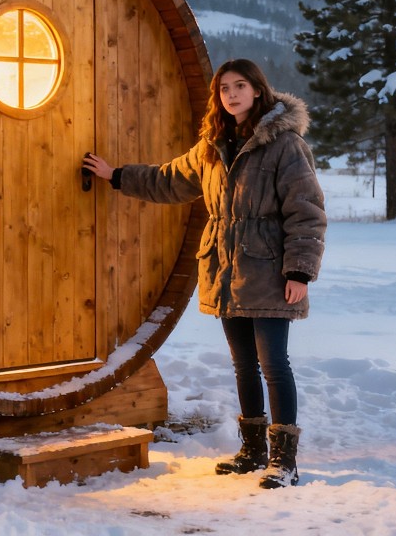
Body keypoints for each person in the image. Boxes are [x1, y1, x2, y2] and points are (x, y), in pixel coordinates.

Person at [82, 59, 326, 489]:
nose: (231, 95)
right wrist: (116, 175)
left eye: (240, 86)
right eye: (224, 89)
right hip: (227, 270)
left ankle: (283, 462)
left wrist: (299, 271)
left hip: (270, 269)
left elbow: (306, 212)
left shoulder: (284, 145)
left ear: (257, 90)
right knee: (243, 365)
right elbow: (167, 180)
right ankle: (251, 452)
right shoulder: (213, 145)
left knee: (274, 364)